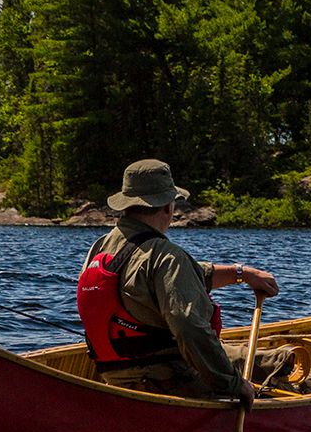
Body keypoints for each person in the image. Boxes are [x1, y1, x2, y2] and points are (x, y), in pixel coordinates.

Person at [76, 158, 278, 402]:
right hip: (169, 381)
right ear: (168, 207)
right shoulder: (167, 257)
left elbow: (153, 283)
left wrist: (241, 274)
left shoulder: (100, 248)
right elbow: (189, 329)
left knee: (248, 357)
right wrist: (234, 385)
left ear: (126, 205)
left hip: (115, 377)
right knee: (281, 368)